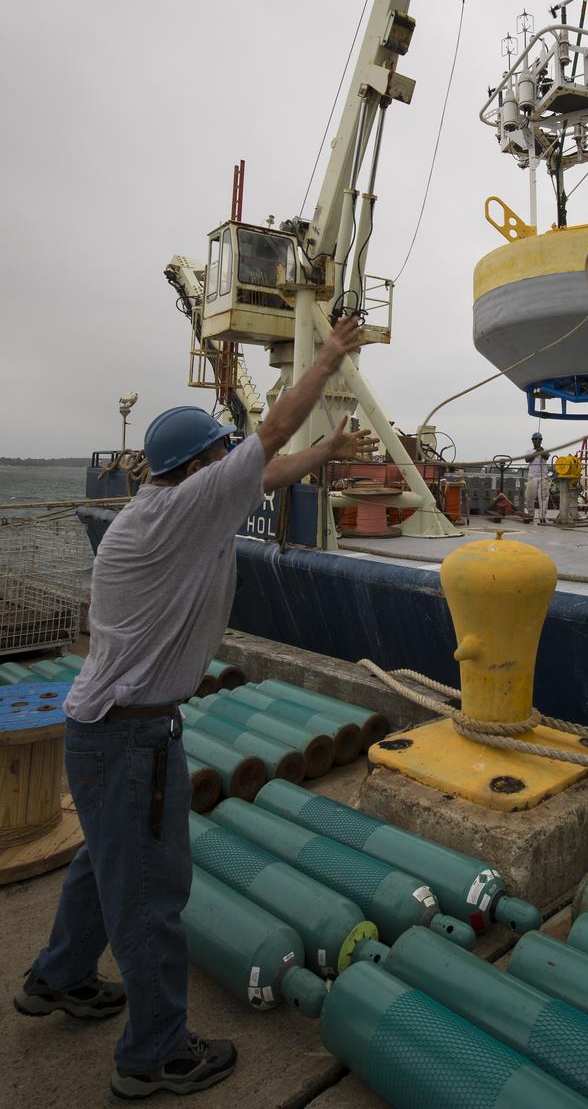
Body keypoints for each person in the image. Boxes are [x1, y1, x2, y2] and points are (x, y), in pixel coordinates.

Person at [15, 315, 375, 1099]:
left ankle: (59, 977)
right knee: (149, 893)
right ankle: (155, 1054)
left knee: (103, 865)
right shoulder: (181, 513)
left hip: (105, 729)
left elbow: (269, 469)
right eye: (219, 454)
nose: (229, 462)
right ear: (200, 468)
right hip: (130, 739)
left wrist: (331, 452)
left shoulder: (165, 504)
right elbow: (271, 433)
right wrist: (330, 356)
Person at [523, 431, 549, 523]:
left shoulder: (544, 450)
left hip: (543, 477)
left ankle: (542, 516)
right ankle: (530, 514)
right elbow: (527, 459)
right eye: (535, 439)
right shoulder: (529, 451)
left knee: (543, 497)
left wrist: (540, 451)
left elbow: (546, 457)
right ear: (532, 440)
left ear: (541, 440)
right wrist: (536, 452)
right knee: (529, 497)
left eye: (539, 439)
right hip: (532, 476)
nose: (537, 441)